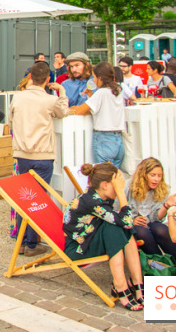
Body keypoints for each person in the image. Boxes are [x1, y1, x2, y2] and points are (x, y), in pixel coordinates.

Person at [63, 163, 144, 311]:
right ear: (105, 185)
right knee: (114, 226)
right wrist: (121, 193)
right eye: (117, 186)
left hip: (90, 239)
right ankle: (120, 285)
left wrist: (118, 192)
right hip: (78, 250)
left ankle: (137, 283)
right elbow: (127, 221)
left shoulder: (99, 196)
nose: (120, 189)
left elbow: (125, 224)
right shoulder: (93, 202)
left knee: (119, 227)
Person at [10, 61, 68, 256]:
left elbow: (10, 120)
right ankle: (32, 244)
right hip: (43, 154)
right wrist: (62, 91)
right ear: (48, 79)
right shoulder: (49, 100)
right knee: (38, 200)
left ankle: (22, 242)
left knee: (24, 199)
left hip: (22, 154)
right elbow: (63, 112)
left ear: (31, 77)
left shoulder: (18, 98)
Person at [125, 158, 176, 263]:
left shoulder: (163, 189)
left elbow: (156, 218)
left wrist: (166, 206)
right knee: (142, 232)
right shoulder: (128, 187)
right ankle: (161, 264)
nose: (156, 179)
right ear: (143, 175)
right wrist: (132, 220)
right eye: (153, 175)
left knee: (161, 229)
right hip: (128, 225)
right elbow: (116, 210)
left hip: (150, 222)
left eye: (159, 176)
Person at [72, 62, 125, 167]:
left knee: (103, 175)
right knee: (114, 176)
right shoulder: (117, 91)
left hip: (104, 139)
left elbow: (80, 111)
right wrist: (91, 95)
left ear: (100, 78)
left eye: (94, 77)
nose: (94, 80)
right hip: (118, 139)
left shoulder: (102, 92)